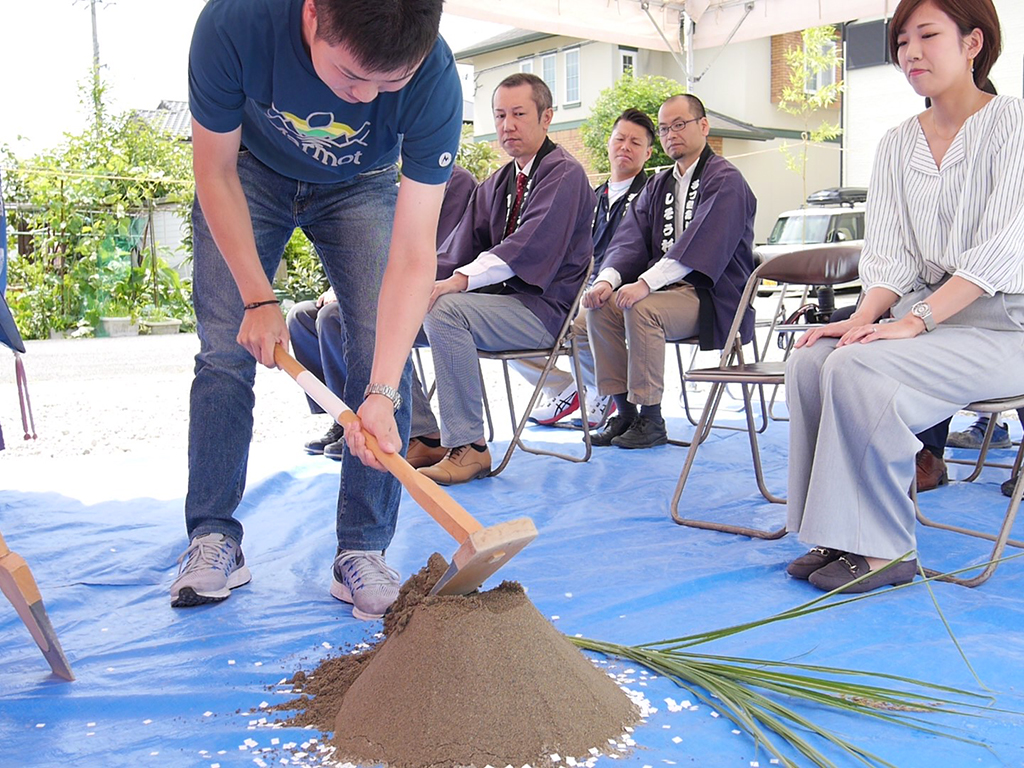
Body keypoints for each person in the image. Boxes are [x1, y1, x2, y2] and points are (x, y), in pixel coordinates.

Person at [171, 0, 463, 621]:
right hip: (249, 169)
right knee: (225, 349)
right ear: (312, 16)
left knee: (382, 348)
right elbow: (214, 171)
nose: (364, 100)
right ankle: (214, 535)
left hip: (363, 184)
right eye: (352, 77)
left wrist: (380, 391)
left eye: (390, 84)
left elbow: (414, 255)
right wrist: (258, 297)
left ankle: (363, 548)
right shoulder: (235, 23)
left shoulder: (436, 78)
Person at [784, 0, 1024, 593]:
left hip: (1004, 326)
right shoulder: (896, 143)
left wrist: (914, 320)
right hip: (930, 316)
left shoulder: (1014, 125)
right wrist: (863, 317)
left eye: (927, 35)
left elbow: (1006, 246)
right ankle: (839, 534)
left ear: (973, 43)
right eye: (900, 41)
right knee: (813, 359)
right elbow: (889, 255)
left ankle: (886, 549)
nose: (910, 51)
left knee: (861, 369)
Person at [407, 73, 596, 485]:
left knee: (446, 309)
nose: (507, 125)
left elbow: (526, 248)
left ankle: (471, 447)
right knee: (390, 313)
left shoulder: (564, 174)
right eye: (499, 115)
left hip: (542, 309)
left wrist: (454, 283)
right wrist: (406, 290)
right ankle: (421, 432)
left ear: (547, 117)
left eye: (518, 114)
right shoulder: (498, 183)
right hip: (498, 306)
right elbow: (457, 251)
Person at [583, 94, 757, 449]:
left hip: (711, 297)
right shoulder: (657, 184)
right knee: (601, 306)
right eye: (664, 128)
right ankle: (625, 412)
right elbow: (629, 240)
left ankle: (651, 418)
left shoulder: (726, 179)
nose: (670, 134)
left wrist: (645, 283)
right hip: (666, 292)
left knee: (640, 307)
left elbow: (702, 244)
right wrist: (607, 280)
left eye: (680, 125)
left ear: (703, 126)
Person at [288, 165, 477, 460]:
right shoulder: (378, 179)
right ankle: (344, 417)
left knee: (335, 317)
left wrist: (367, 286)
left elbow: (431, 254)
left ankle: (420, 431)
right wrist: (342, 284)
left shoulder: (452, 181)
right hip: (379, 280)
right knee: (301, 318)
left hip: (422, 291)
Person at [518, 108, 656, 430]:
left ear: (648, 153)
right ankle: (563, 387)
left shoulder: (650, 197)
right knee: (519, 315)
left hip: (621, 291)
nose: (625, 147)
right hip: (577, 286)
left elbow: (640, 254)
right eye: (619, 138)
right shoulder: (593, 197)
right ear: (608, 143)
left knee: (581, 319)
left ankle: (601, 392)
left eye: (635, 143)